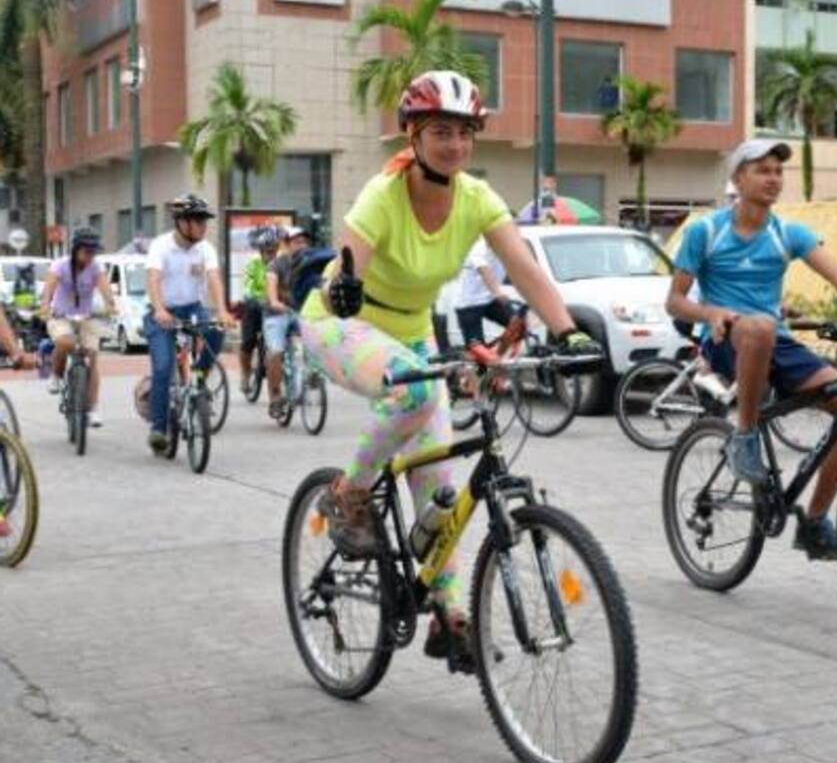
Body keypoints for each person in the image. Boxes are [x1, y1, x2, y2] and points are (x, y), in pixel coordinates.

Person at [299, 70, 598, 660]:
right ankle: (348, 494)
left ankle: (450, 613)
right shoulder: (384, 195)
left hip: (410, 336)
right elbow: (348, 261)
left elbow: (526, 268)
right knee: (414, 398)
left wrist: (565, 331)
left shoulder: (478, 198)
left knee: (439, 491)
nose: (455, 145)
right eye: (441, 131)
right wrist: (346, 287)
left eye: (465, 133)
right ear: (412, 133)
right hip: (341, 323)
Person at [666, 138, 837, 560]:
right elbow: (675, 301)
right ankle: (744, 437)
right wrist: (712, 314)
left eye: (779, 172)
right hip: (728, 342)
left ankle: (813, 523)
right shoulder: (705, 231)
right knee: (758, 326)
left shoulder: (787, 233)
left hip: (775, 343)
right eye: (763, 170)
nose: (773, 179)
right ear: (738, 178)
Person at [144, 194, 234, 455]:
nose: (204, 227)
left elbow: (214, 279)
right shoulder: (161, 246)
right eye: (199, 221)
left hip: (193, 308)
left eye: (205, 222)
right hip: (163, 312)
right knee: (163, 368)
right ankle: (159, 429)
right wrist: (160, 309)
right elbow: (153, 279)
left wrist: (222, 311)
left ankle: (198, 378)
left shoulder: (205, 248)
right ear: (182, 222)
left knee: (216, 331)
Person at [41, 227, 117, 426]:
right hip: (60, 315)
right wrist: (44, 307)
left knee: (92, 356)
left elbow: (104, 287)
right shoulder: (60, 266)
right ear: (76, 250)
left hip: (86, 317)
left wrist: (111, 305)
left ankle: (92, 409)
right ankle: (56, 375)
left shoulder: (96, 267)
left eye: (94, 251)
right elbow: (48, 289)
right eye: (87, 251)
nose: (91, 255)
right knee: (65, 342)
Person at [263, 224, 312, 419]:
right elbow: (271, 285)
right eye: (297, 241)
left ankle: (313, 374)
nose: (302, 245)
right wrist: (275, 301)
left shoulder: (311, 264)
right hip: (276, 314)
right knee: (275, 351)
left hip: (300, 313)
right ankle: (275, 397)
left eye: (304, 241)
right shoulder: (276, 264)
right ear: (286, 244)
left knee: (318, 339)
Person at [238, 225, 279, 396]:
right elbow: (246, 284)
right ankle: (246, 374)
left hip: (274, 307)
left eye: (273, 251)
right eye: (268, 252)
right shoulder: (253, 265)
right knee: (248, 342)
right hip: (254, 306)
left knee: (277, 345)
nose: (271, 255)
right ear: (261, 251)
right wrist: (252, 296)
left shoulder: (281, 264)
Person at [454, 237, 513, 346]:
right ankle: (483, 354)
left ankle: (498, 352)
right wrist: (498, 292)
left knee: (518, 325)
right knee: (478, 348)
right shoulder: (477, 248)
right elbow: (485, 272)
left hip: (490, 300)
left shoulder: (508, 246)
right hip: (468, 304)